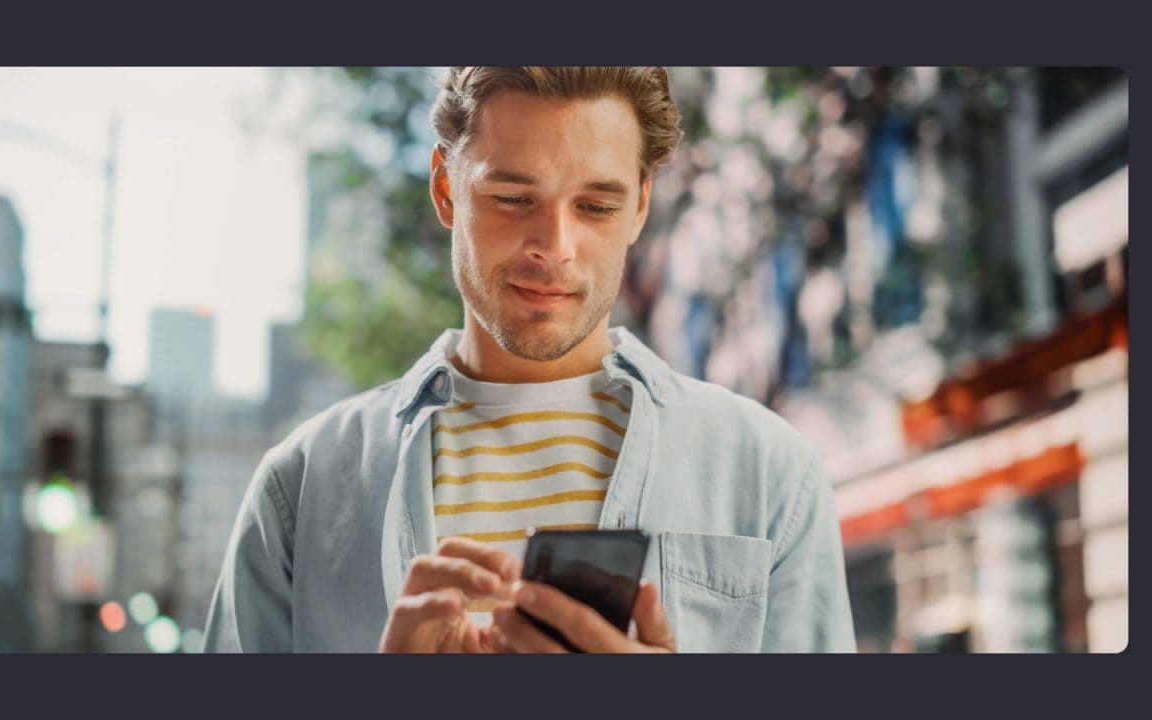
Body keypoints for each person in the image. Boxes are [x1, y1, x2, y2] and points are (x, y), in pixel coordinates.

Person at [202, 67, 856, 653]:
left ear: (642, 204)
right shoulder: (303, 488)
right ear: (445, 188)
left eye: (597, 206)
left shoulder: (772, 475)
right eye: (513, 199)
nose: (555, 246)